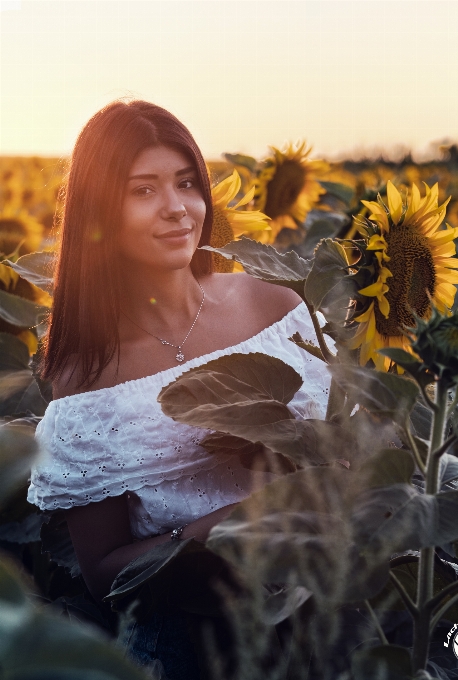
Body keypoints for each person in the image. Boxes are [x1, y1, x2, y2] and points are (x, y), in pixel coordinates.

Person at [27, 100, 334, 679]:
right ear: (100, 210)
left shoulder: (275, 307)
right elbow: (104, 575)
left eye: (186, 183)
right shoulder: (86, 378)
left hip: (329, 605)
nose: (176, 209)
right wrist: (231, 524)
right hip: (187, 643)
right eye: (143, 191)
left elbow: (347, 445)